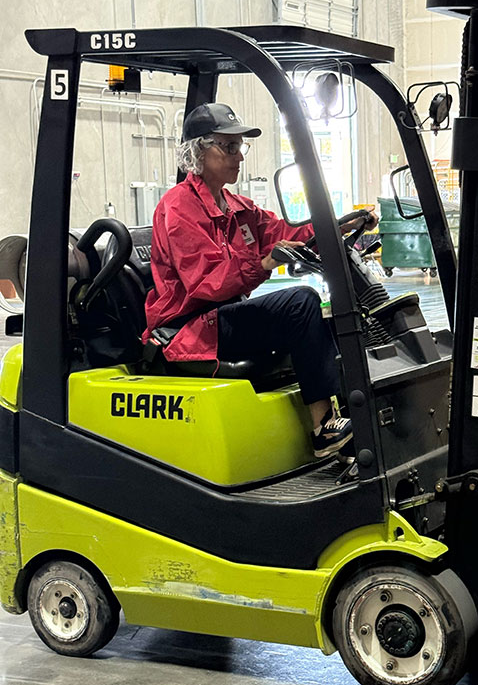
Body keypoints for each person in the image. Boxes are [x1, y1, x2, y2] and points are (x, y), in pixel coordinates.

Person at [143, 102, 355, 459]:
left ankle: (350, 417)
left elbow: (283, 232)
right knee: (299, 303)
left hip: (225, 315)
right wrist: (265, 262)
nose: (239, 156)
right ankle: (323, 428)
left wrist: (333, 227)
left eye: (240, 146)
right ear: (199, 150)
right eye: (228, 147)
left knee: (330, 316)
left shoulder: (237, 205)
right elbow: (206, 282)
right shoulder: (178, 208)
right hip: (192, 327)